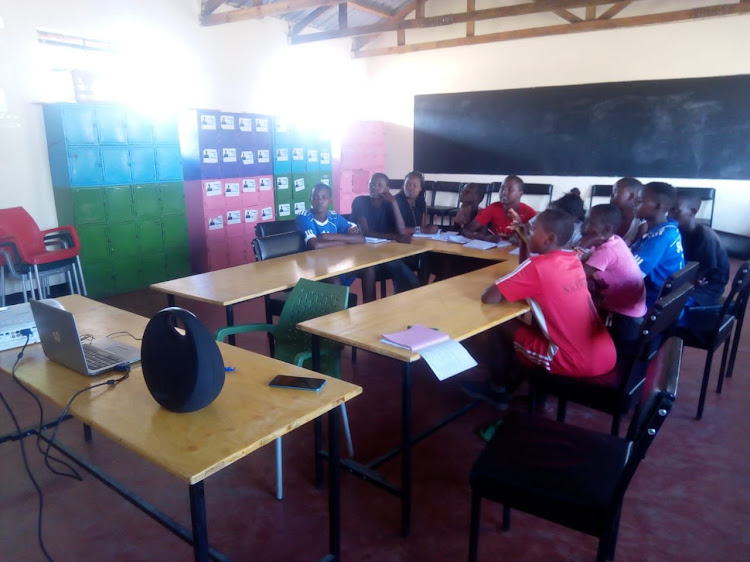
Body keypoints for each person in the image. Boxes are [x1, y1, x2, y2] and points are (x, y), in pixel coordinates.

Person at [464, 209, 617, 407]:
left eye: (533, 230)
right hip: (605, 353)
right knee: (530, 324)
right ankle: (512, 380)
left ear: (550, 238)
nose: (529, 231)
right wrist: (524, 241)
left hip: (573, 359)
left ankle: (497, 390)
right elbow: (526, 272)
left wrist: (499, 282)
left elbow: (489, 298)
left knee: (498, 322)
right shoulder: (573, 260)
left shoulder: (538, 267)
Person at [577, 204, 647, 342]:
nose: (584, 225)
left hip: (623, 319)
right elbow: (586, 262)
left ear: (606, 229)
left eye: (589, 222)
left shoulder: (607, 251)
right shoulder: (615, 240)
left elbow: (574, 275)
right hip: (630, 311)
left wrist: (580, 246)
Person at [350, 173, 420, 300]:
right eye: (372, 184)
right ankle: (373, 308)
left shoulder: (389, 204)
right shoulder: (360, 202)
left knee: (403, 264)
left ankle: (401, 298)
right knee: (397, 268)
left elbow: (402, 231)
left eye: (379, 185)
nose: (374, 187)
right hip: (364, 251)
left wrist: (394, 203)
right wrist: (394, 237)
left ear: (387, 189)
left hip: (385, 252)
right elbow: (365, 232)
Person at [631, 182, 685, 308]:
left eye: (639, 201)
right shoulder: (668, 228)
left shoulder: (661, 238)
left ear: (658, 206)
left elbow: (631, 274)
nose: (634, 204)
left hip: (654, 300)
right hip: (661, 294)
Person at [669, 191, 729, 306]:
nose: (670, 215)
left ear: (693, 211)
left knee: (664, 303)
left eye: (676, 210)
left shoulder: (705, 237)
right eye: (669, 210)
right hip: (693, 281)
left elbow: (702, 277)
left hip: (707, 290)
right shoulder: (679, 230)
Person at [461, 175, 535, 241]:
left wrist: (520, 226)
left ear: (520, 194)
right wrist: (485, 238)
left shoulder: (529, 213)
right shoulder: (493, 208)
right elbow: (466, 230)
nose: (504, 192)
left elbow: (536, 241)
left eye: (510, 189)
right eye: (502, 188)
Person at [296, 183, 364, 250]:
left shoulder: (334, 216)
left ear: (330, 200)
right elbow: (316, 245)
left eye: (324, 197)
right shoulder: (304, 216)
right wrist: (346, 241)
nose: (320, 201)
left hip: (333, 257)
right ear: (311, 200)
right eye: (315, 197)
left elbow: (361, 239)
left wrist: (329, 236)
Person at [610, 177, 646, 246]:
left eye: (616, 191)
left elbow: (637, 249)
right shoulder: (608, 215)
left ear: (631, 196)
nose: (611, 195)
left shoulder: (640, 223)